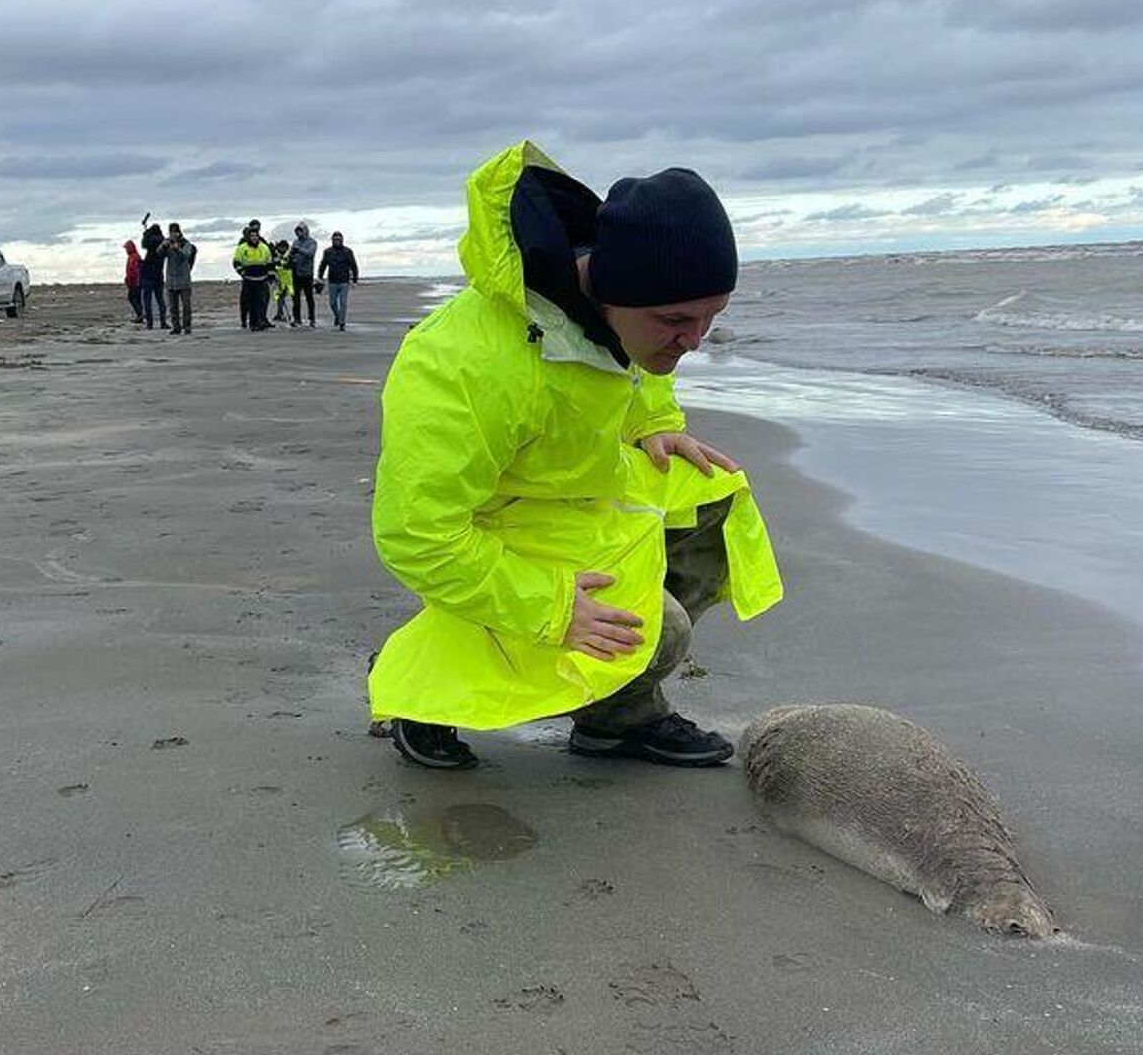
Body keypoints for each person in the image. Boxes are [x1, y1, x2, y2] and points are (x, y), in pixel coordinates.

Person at [368, 141, 783, 771]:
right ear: (611, 292)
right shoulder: (462, 365)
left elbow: (638, 370)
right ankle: (424, 693)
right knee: (660, 630)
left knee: (713, 498)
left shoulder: (621, 313)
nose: (695, 342)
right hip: (498, 523)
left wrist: (656, 425)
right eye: (676, 320)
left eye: (711, 318)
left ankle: (615, 717)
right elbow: (417, 535)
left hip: (574, 489)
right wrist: (551, 607)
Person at [232, 225, 275, 330]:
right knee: (250, 302)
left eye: (256, 236)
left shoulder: (264, 248)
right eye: (252, 236)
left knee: (261, 301)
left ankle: (260, 321)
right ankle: (253, 323)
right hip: (249, 279)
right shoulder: (242, 248)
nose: (254, 238)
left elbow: (270, 263)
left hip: (262, 278)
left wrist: (271, 275)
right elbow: (236, 262)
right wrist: (242, 272)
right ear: (248, 237)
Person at [161, 223, 198, 334]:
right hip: (171, 281)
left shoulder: (186, 244)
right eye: (171, 232)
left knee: (186, 306)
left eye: (175, 232)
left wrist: (178, 249)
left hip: (184, 280)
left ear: (179, 232)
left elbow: (186, 256)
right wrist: (164, 245)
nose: (173, 234)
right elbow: (159, 253)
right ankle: (176, 327)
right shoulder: (167, 243)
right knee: (173, 307)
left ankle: (187, 326)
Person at [317, 231, 358, 330]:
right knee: (333, 303)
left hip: (344, 281)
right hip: (332, 281)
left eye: (338, 240)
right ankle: (338, 316)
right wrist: (320, 276)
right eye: (335, 240)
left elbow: (353, 265)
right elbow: (323, 265)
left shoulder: (348, 252)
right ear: (332, 240)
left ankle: (342, 323)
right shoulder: (328, 252)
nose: (337, 241)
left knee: (343, 303)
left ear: (342, 240)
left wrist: (355, 278)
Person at [139, 222, 168, 328]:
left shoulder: (149, 241)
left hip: (148, 274)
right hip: (158, 274)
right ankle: (163, 322)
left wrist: (145, 233)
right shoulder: (163, 242)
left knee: (147, 300)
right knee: (160, 300)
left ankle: (149, 323)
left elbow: (143, 244)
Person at [289, 222, 318, 327]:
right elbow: (291, 255)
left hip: (307, 274)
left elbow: (310, 254)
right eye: (297, 231)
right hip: (296, 273)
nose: (299, 233)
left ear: (306, 230)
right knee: (295, 298)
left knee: (309, 297)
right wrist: (291, 255)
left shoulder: (312, 242)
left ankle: (312, 318)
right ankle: (297, 319)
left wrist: (299, 250)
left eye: (301, 230)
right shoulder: (295, 242)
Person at [271, 240, 294, 324]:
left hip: (289, 280)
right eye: (280, 247)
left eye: (284, 247)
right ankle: (280, 313)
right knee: (280, 298)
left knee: (290, 297)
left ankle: (292, 315)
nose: (282, 249)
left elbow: (288, 265)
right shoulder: (276, 255)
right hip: (279, 279)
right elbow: (274, 265)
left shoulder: (289, 256)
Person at [122, 239, 143, 322]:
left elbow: (135, 270)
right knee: (135, 298)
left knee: (133, 298)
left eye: (127, 248)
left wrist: (133, 280)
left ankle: (140, 314)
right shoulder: (132, 257)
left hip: (135, 282)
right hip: (132, 281)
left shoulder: (135, 257)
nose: (126, 250)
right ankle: (140, 315)